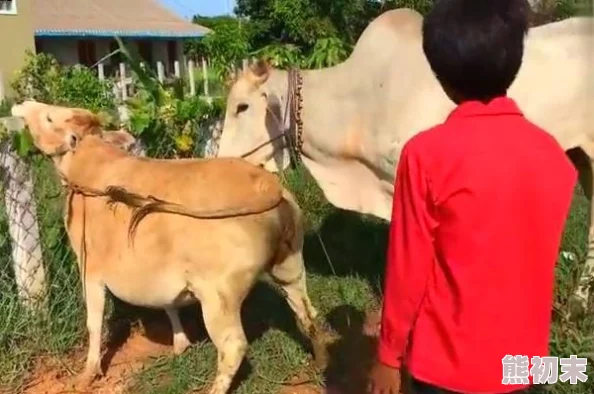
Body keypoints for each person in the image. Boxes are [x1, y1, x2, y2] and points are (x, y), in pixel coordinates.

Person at [367, 0, 578, 393]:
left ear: (440, 74)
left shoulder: (426, 155)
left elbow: (407, 268)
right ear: (514, 62)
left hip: (445, 368)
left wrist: (388, 356)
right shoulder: (553, 157)